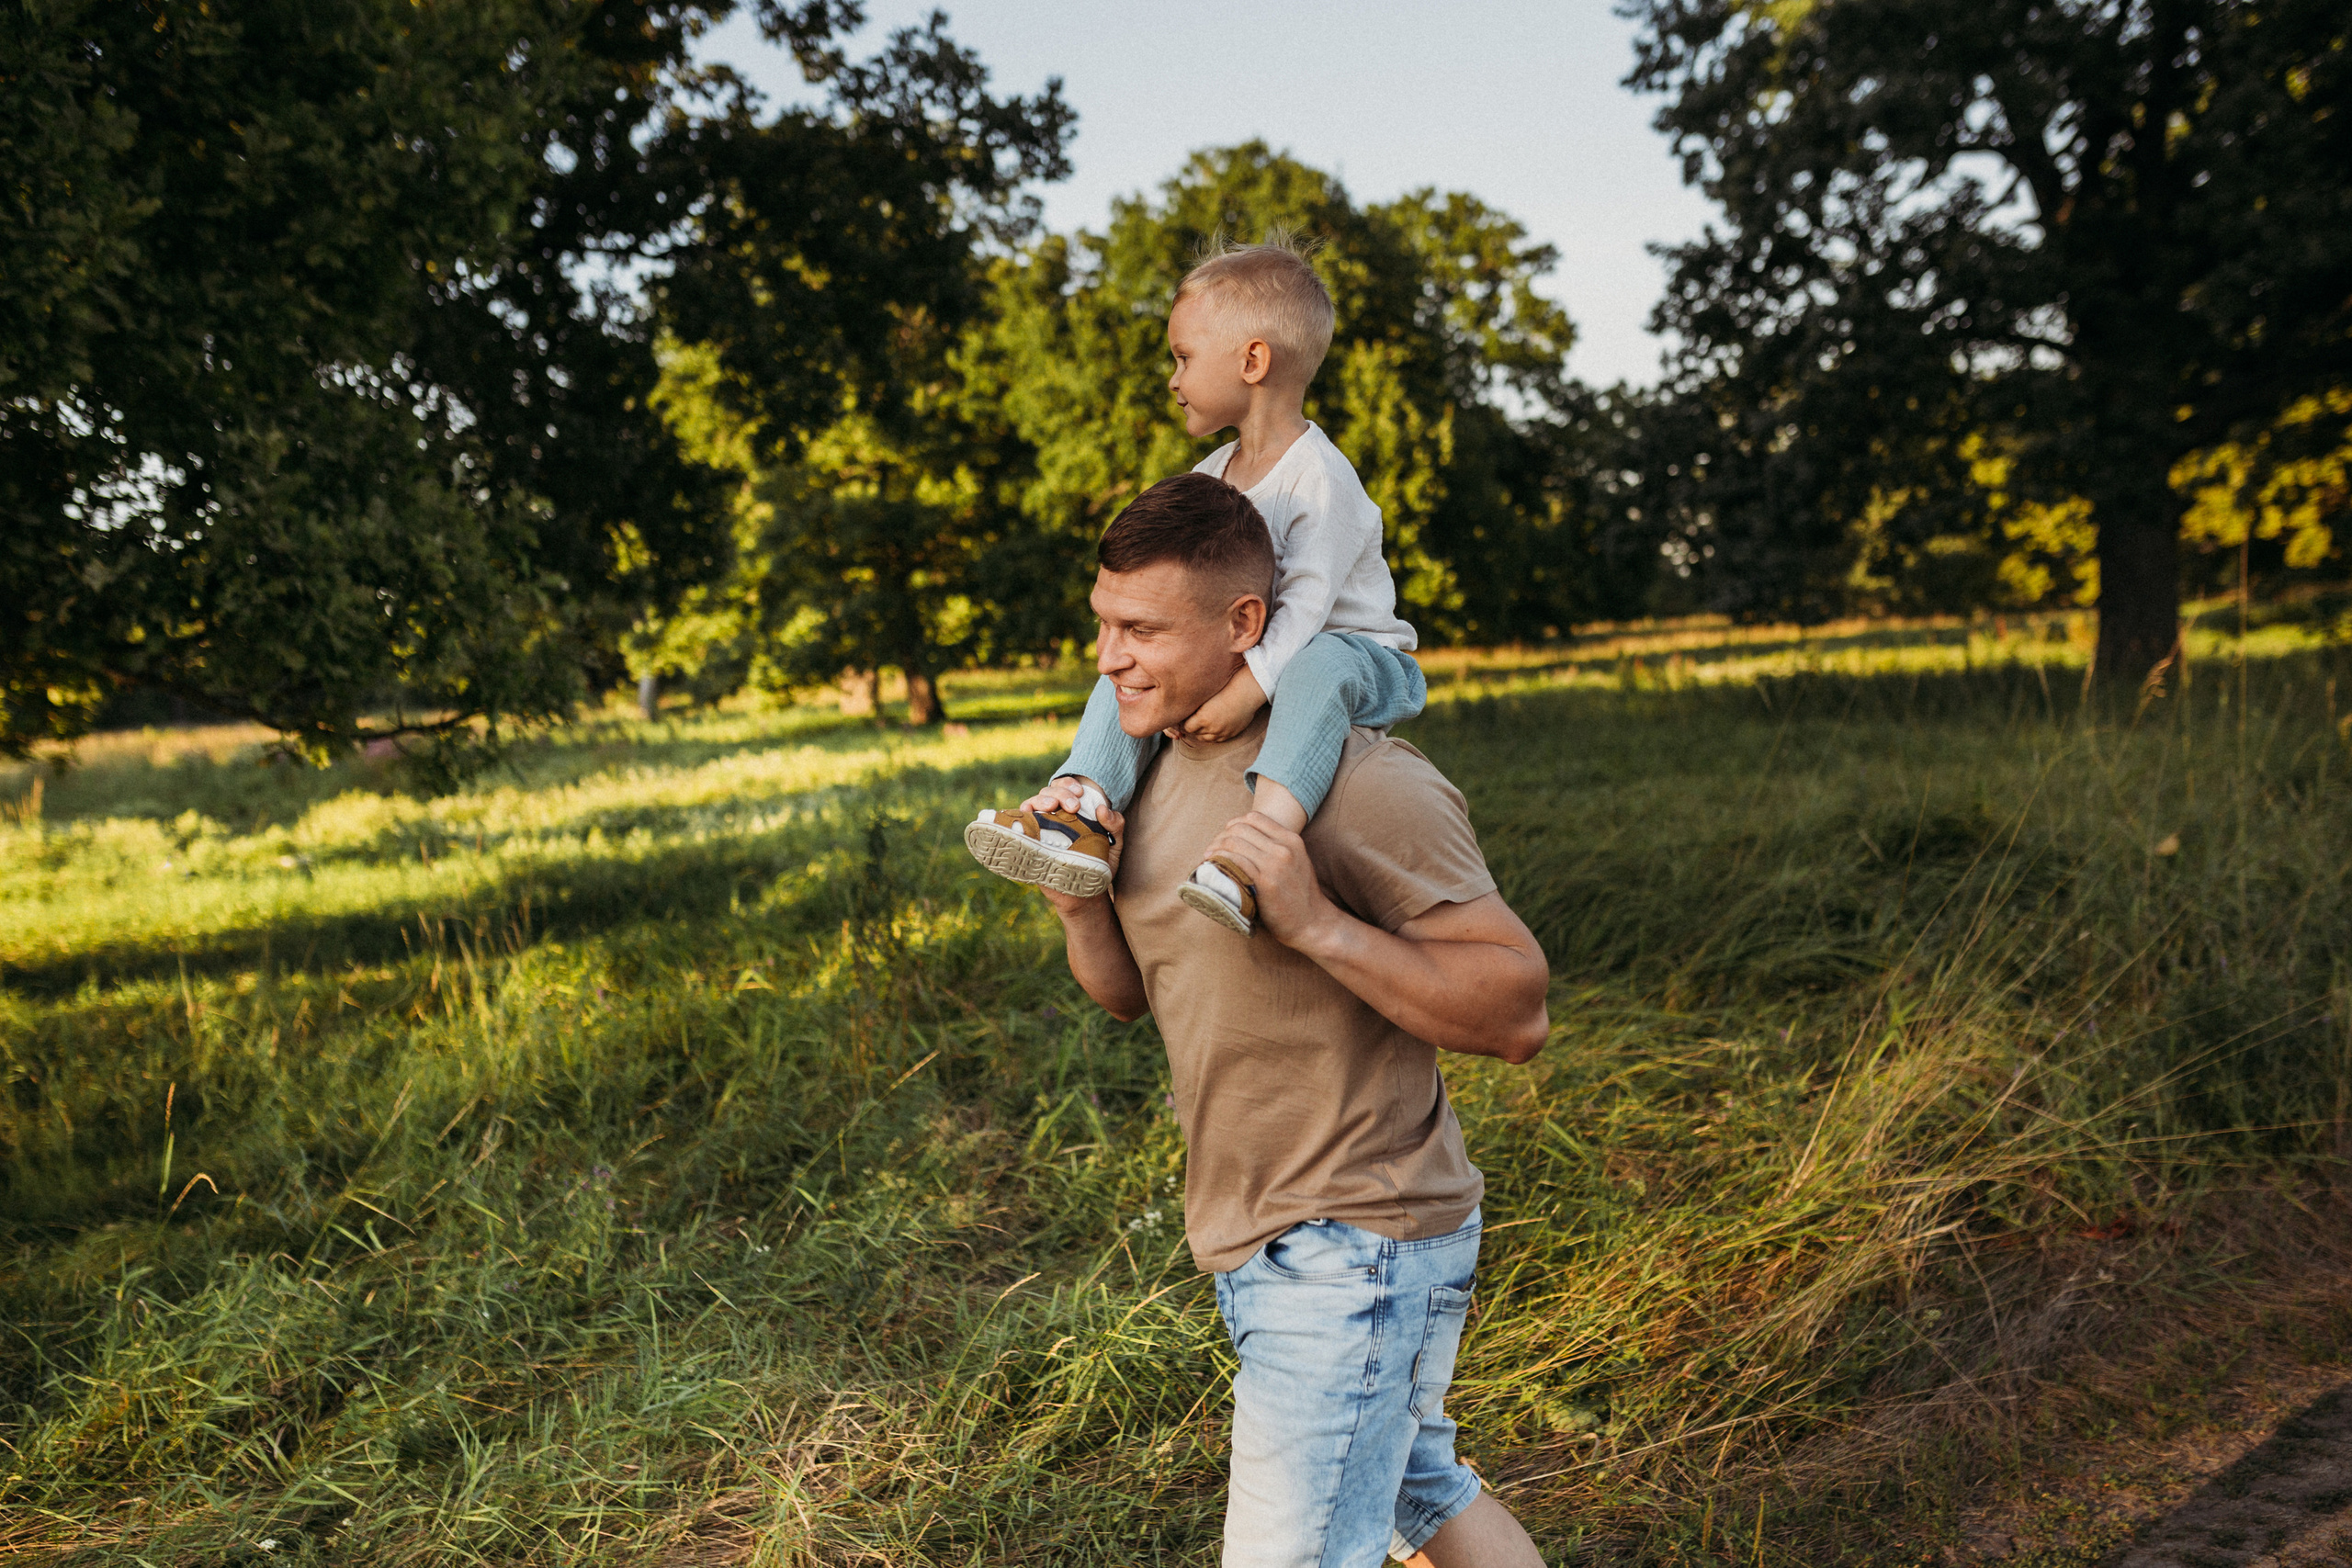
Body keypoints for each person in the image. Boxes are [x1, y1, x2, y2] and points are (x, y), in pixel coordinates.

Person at [1023, 472, 1552, 1567]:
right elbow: (1134, 996)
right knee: (1421, 1495)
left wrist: (1317, 925)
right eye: (1102, 626)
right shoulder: (1150, 773)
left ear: (1246, 625)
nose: (1109, 658)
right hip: (1250, 1232)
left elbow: (1516, 1008)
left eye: (1141, 630)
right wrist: (1080, 906)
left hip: (1353, 1235)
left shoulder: (1359, 784)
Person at [964, 232, 1423, 935]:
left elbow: (1305, 611)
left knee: (1321, 659)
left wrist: (1244, 693)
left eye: (1182, 357)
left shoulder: (1322, 479)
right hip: (1276, 654)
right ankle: (1080, 807)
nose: (1173, 378)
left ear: (1253, 361)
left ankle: (1253, 856)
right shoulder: (1212, 473)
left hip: (1360, 660)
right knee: (1130, 659)